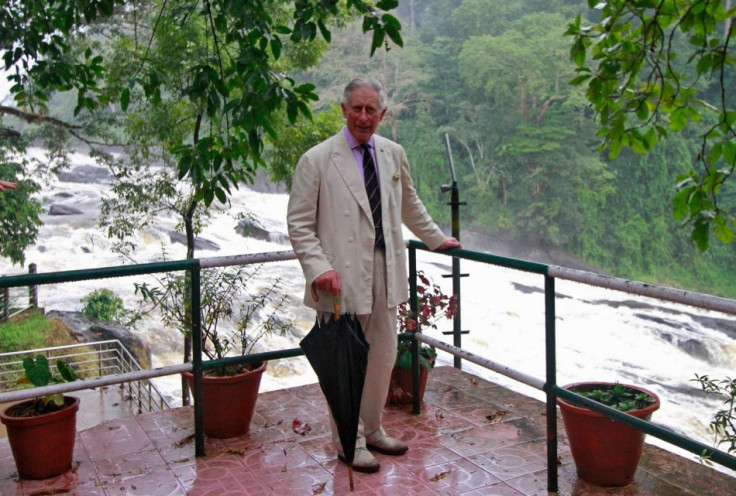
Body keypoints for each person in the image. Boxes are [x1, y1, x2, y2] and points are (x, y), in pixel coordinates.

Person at [287, 77, 461, 473]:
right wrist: (318, 269)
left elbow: (408, 204)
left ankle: (373, 429)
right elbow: (299, 224)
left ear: (382, 114)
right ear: (343, 110)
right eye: (357, 109)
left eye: (371, 110)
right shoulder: (317, 159)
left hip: (385, 268)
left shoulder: (393, 153)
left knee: (382, 356)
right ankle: (348, 442)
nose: (363, 117)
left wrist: (436, 239)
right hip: (339, 277)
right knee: (345, 363)